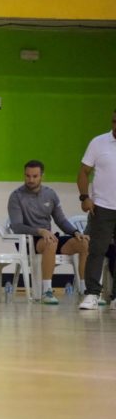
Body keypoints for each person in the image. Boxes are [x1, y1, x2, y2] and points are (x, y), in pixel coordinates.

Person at [8, 160, 89, 305]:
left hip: (49, 238)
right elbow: (17, 226)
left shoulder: (50, 194)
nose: (30, 179)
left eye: (34, 176)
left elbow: (61, 220)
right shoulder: (16, 197)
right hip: (29, 240)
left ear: (42, 176)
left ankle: (85, 289)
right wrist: (39, 230)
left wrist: (76, 232)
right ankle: (47, 291)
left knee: (83, 243)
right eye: (27, 176)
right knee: (50, 242)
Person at [77, 108, 116, 310]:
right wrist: (85, 197)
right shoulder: (98, 142)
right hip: (102, 207)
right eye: (114, 121)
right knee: (96, 251)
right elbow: (83, 171)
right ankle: (92, 294)